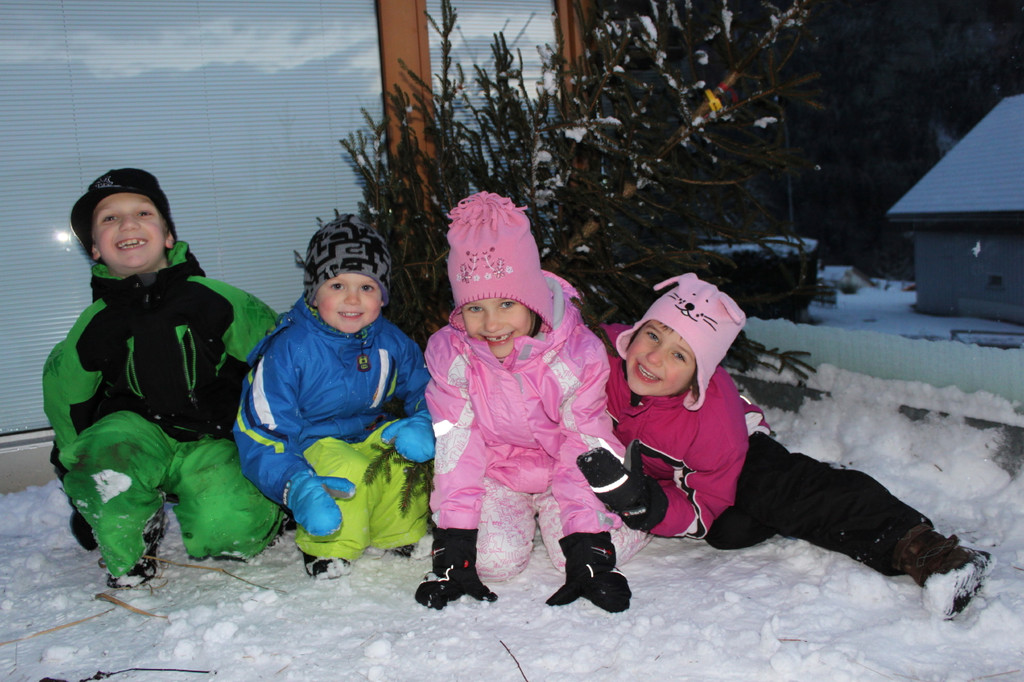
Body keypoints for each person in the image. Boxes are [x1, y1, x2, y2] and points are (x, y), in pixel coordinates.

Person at [577, 273, 993, 619]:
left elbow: (702, 508)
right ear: (635, 331)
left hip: (740, 451)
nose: (653, 358)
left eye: (679, 356)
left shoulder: (713, 426)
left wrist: (650, 506)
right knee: (730, 532)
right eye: (652, 335)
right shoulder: (594, 356)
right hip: (673, 472)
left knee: (778, 492)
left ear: (698, 376)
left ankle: (923, 549)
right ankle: (778, 501)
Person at [42, 168, 284, 588]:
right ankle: (132, 539)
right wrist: (80, 475)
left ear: (168, 236)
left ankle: (260, 511)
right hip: (135, 440)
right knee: (105, 459)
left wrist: (287, 460)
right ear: (95, 248)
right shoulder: (94, 326)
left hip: (213, 440)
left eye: (142, 213)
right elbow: (66, 400)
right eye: (109, 218)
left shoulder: (217, 301)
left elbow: (283, 361)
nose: (127, 224)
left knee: (229, 529)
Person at [414, 192, 648, 613]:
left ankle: (638, 514)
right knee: (493, 561)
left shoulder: (575, 356)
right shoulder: (454, 357)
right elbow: (457, 445)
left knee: (571, 555)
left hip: (566, 471)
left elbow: (583, 443)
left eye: (507, 303)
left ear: (533, 300)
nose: (492, 324)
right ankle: (511, 526)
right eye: (475, 308)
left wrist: (589, 544)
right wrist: (454, 541)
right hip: (499, 472)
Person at [234, 215, 433, 579]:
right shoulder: (290, 349)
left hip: (366, 430)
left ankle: (398, 534)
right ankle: (327, 546)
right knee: (347, 468)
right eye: (338, 284)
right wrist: (293, 482)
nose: (353, 299)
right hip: (309, 441)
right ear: (315, 292)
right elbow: (262, 427)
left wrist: (425, 420)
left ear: (383, 295)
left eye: (367, 287)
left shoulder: (389, 341)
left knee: (399, 457)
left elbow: (427, 386)